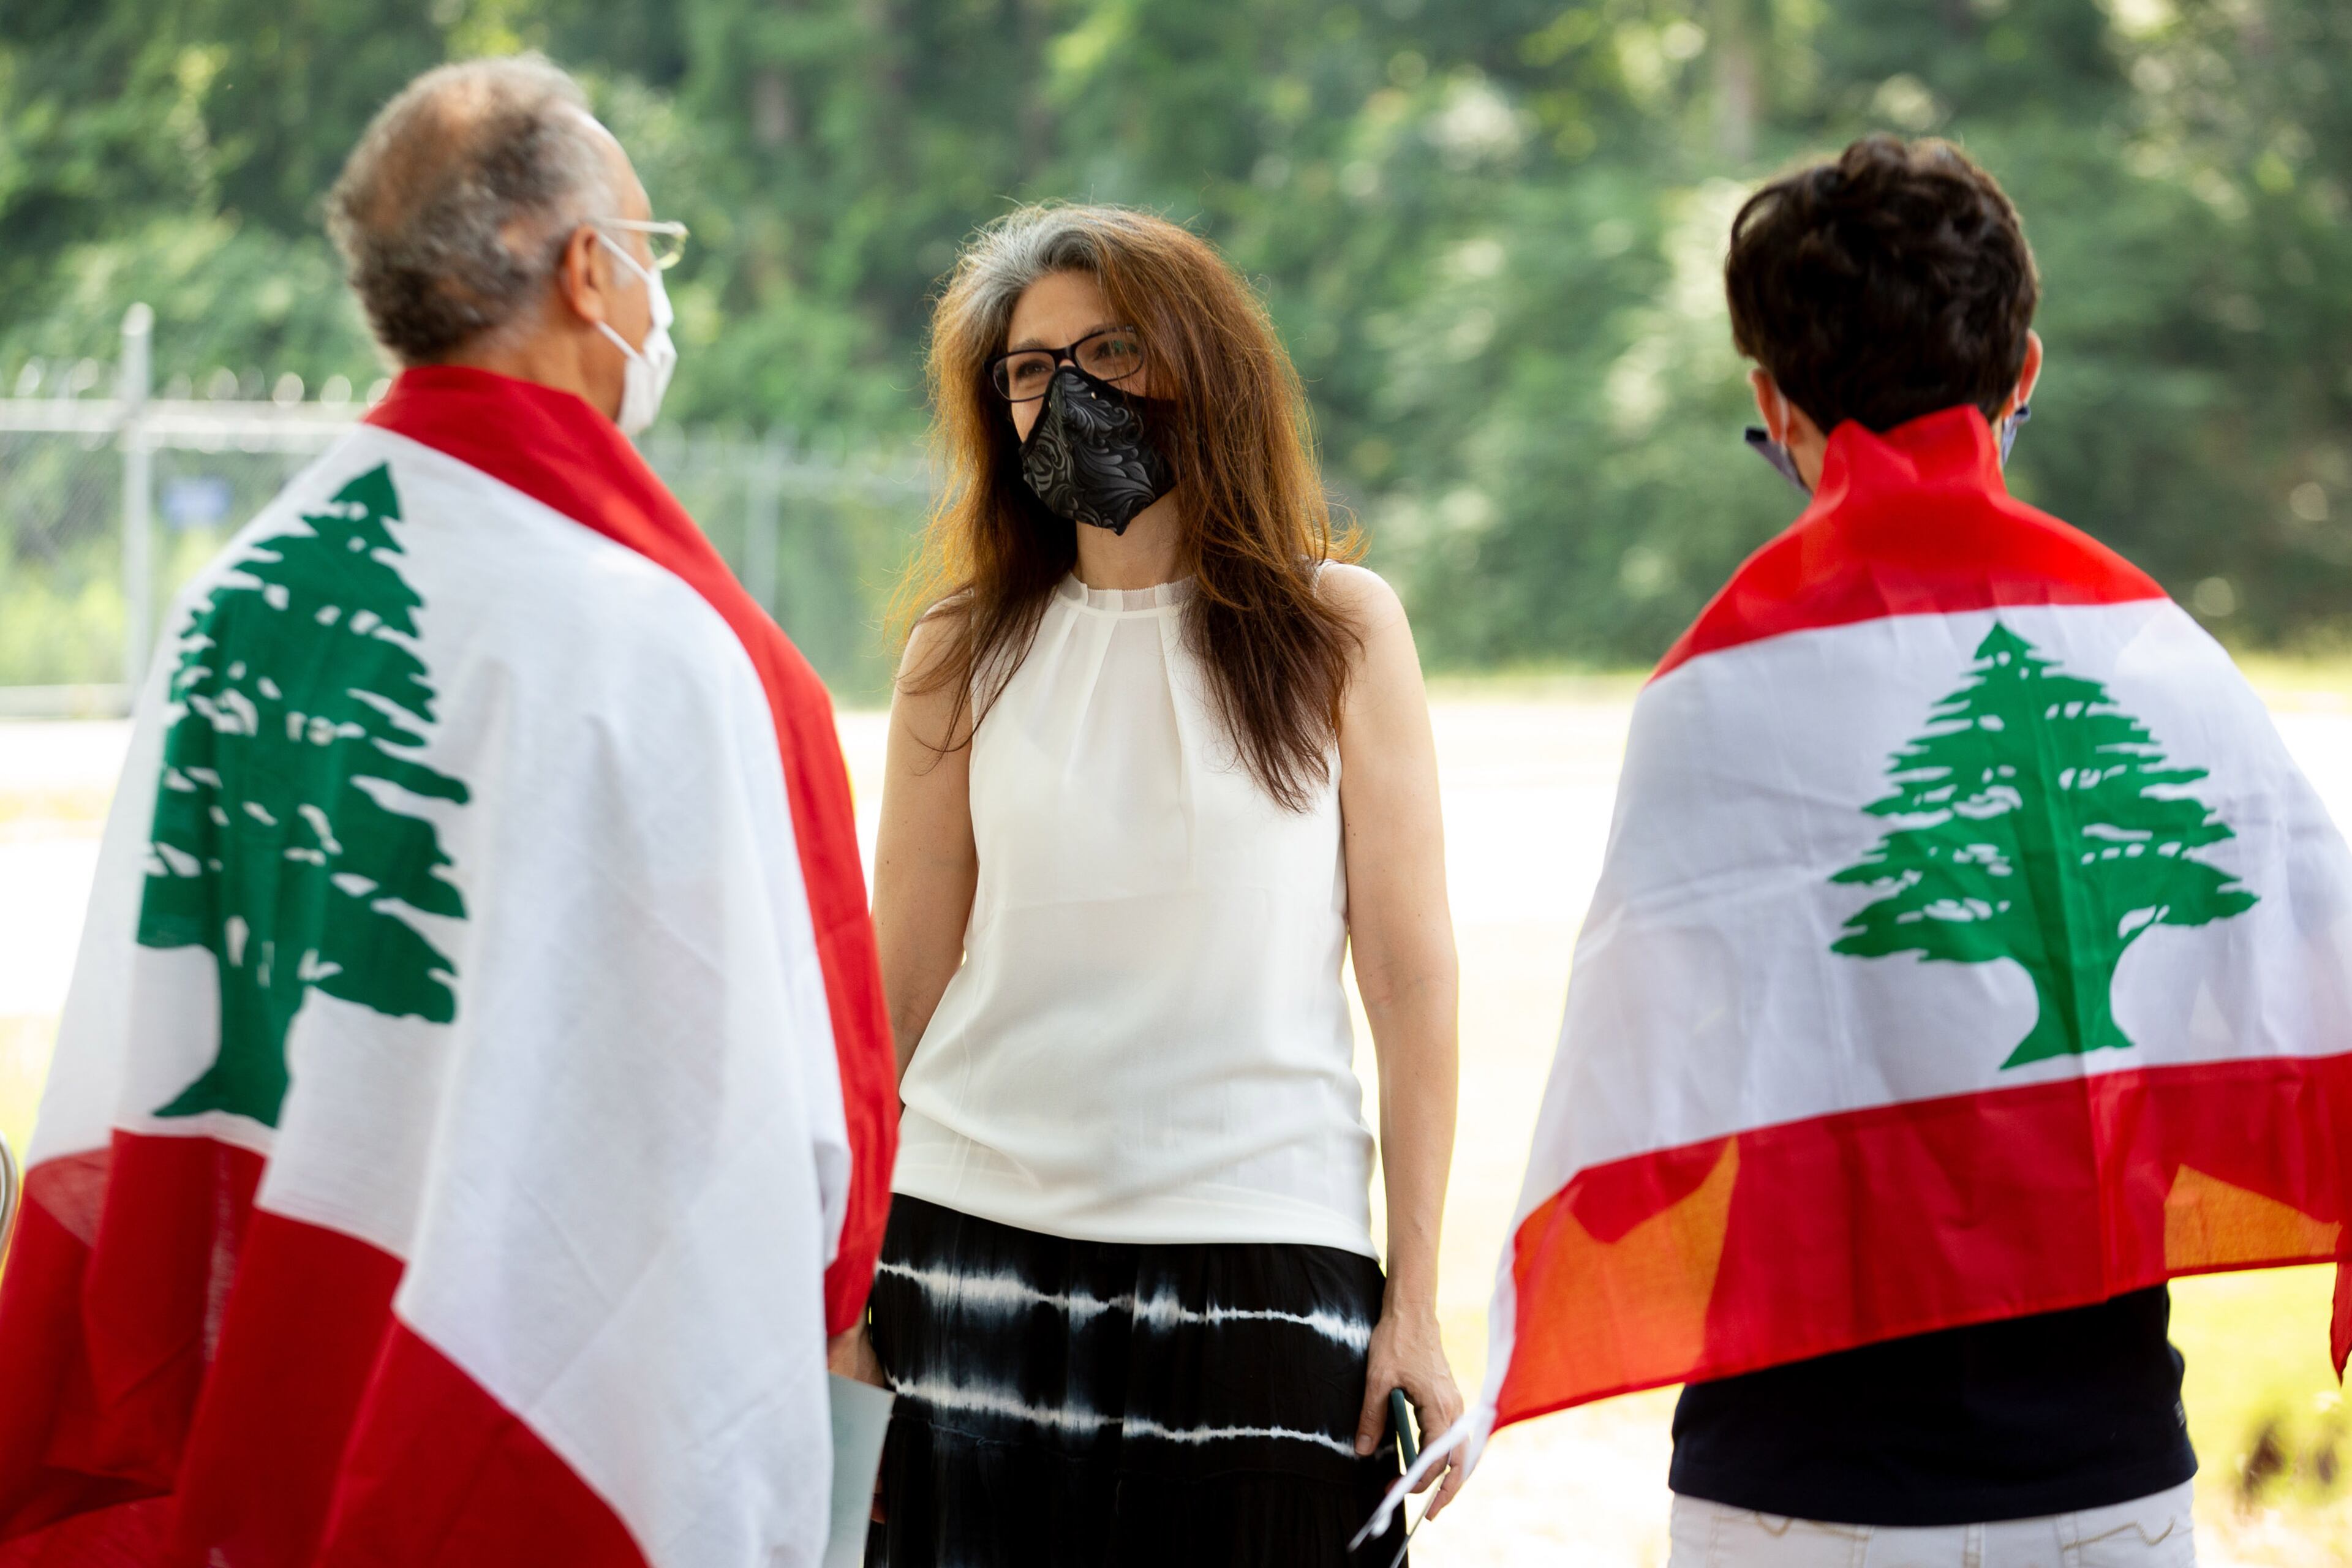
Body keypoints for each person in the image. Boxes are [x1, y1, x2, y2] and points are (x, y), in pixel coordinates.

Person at [1406, 134, 2352, 1566]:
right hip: (2101, 1472)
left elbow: (1654, 1106)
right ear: (2023, 372)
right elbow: (2292, 1016)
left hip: (1800, 1485)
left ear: (1772, 404)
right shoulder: (2155, 653)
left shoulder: (1715, 693)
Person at [0, 56, 896, 1567]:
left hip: (280, 1365)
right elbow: (781, 1113)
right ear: (589, 272)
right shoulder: (655, 636)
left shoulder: (241, 598)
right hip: (528, 1406)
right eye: (650, 251)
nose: (656, 297)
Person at [846, 204, 1466, 1566]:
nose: (1068, 391)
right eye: (1030, 368)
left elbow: (1411, 978)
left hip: (1265, 1255)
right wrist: (837, 1292)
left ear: (1200, 364)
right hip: (969, 1251)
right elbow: (895, 985)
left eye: (1111, 351)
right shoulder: (958, 651)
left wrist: (1416, 1302)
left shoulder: (1339, 630)